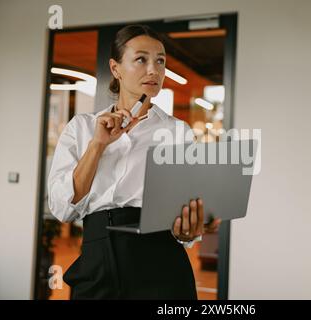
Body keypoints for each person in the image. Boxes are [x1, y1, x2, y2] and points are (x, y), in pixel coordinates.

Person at [47, 24, 221, 299]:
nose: (154, 69)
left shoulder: (178, 132)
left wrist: (189, 229)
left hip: (162, 264)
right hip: (97, 260)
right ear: (115, 68)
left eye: (160, 61)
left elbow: (185, 217)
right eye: (141, 59)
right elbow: (62, 209)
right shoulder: (81, 128)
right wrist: (98, 145)